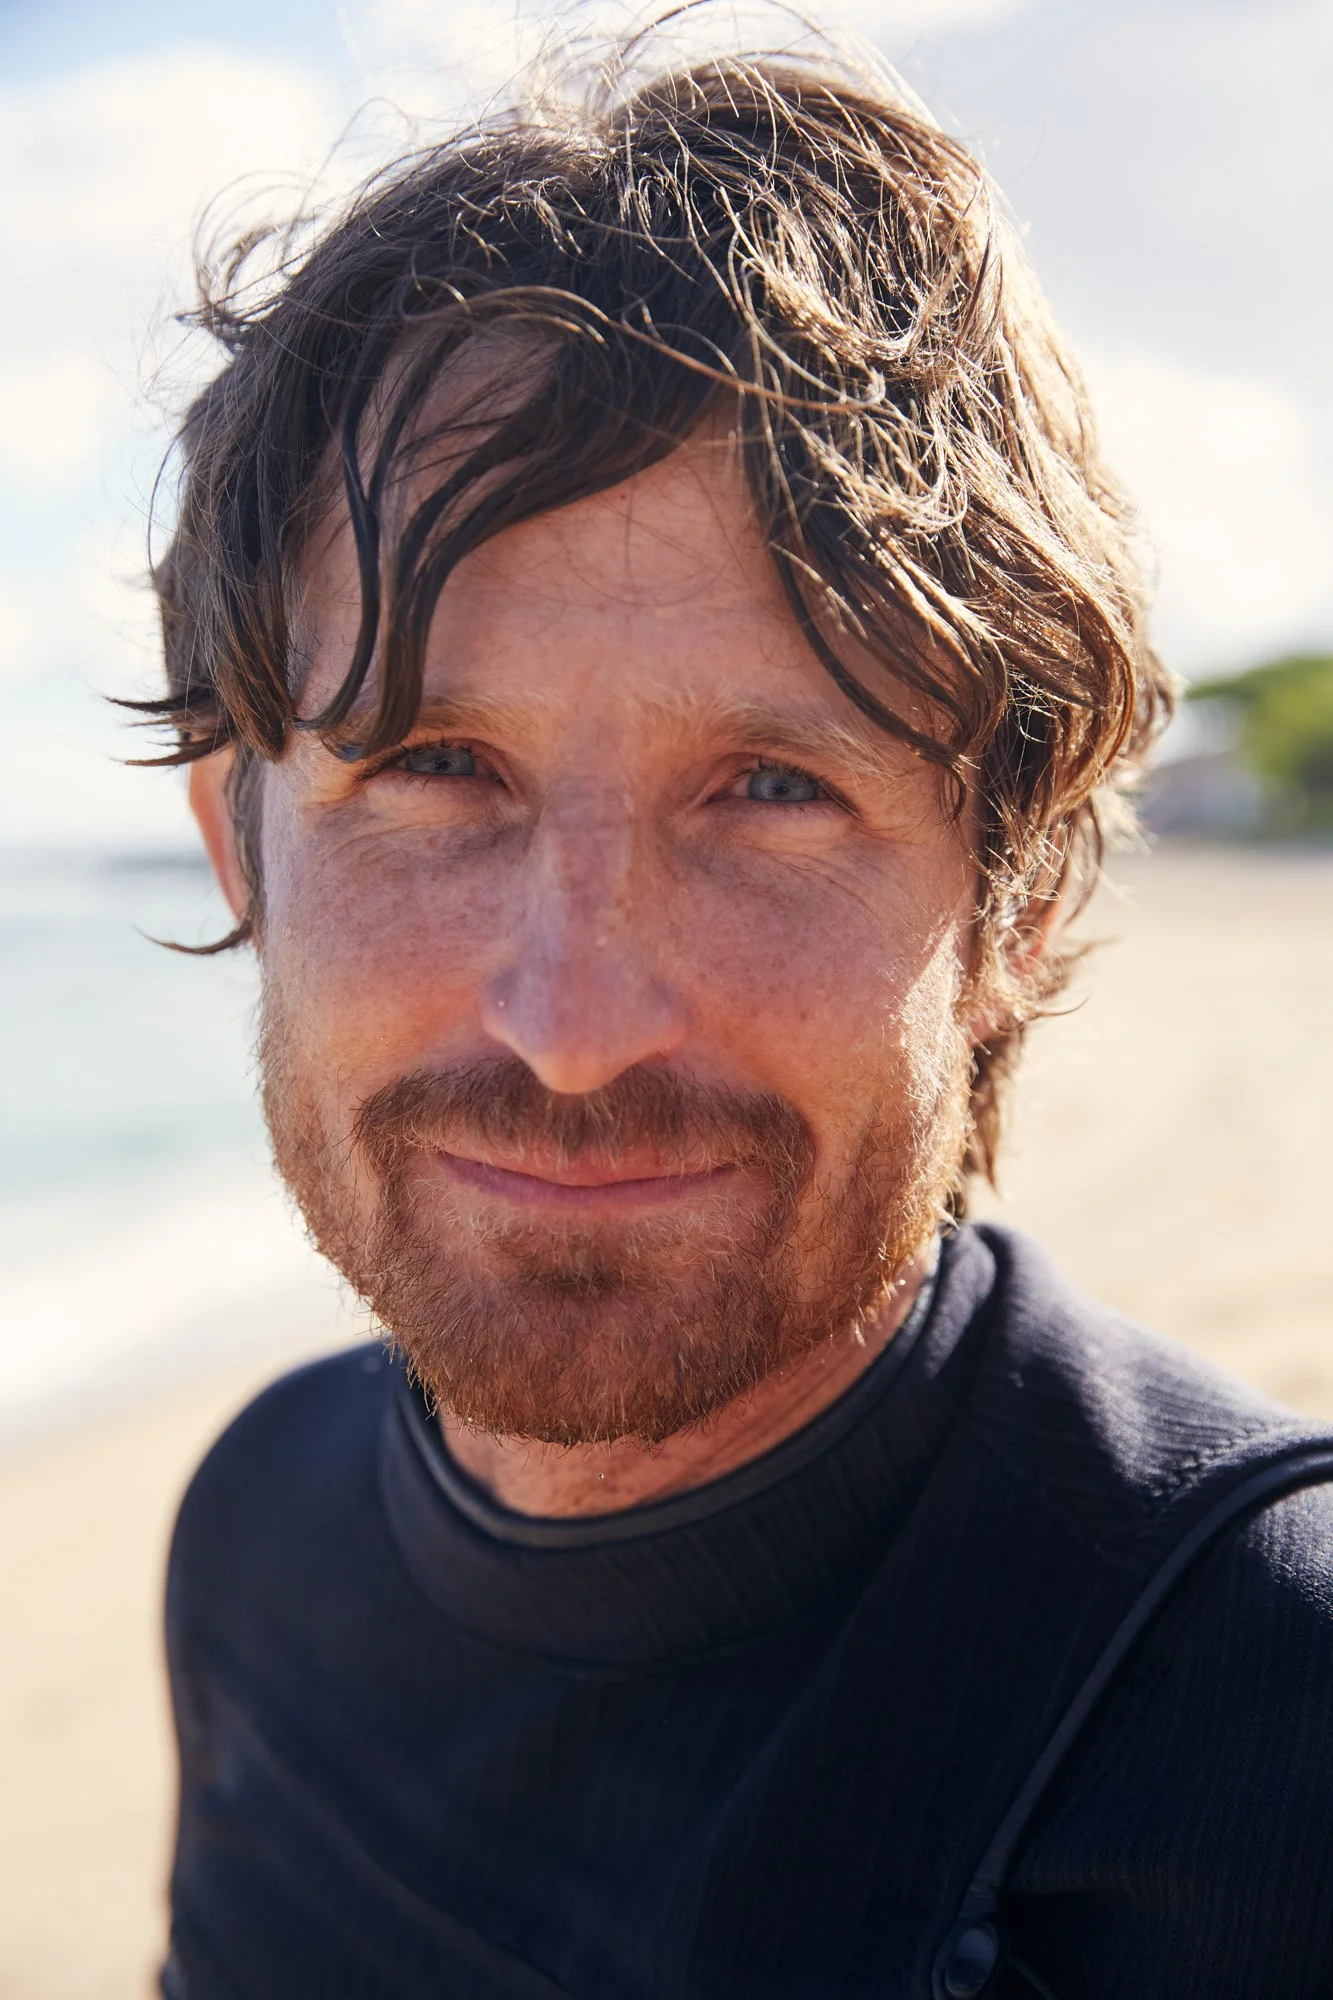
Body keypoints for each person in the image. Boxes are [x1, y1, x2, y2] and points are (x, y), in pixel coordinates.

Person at [145, 34, 1333, 2000]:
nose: (576, 1020)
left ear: (1017, 903)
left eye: (773, 791)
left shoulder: (1275, 1715)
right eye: (437, 766)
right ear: (243, 847)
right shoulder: (253, 1528)